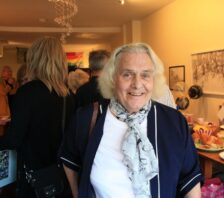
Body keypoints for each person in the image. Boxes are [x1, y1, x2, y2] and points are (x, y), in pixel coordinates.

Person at [60, 43, 203, 198]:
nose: (137, 84)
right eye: (127, 74)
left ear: (154, 79)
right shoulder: (87, 118)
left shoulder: (174, 122)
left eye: (145, 75)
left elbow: (190, 181)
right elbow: (70, 161)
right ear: (113, 79)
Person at [0, 36, 75, 198]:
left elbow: (14, 140)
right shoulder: (67, 96)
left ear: (35, 59)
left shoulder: (27, 92)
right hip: (59, 176)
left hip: (33, 178)